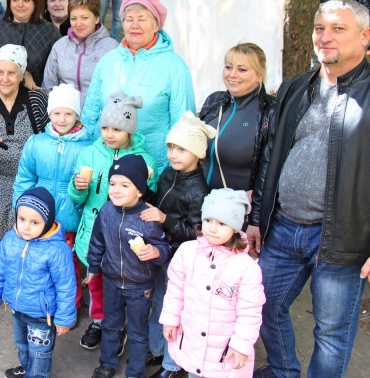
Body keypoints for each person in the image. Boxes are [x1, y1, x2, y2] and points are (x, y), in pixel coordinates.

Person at [249, 0, 370, 378]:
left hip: (341, 239)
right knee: (264, 306)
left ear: (365, 37)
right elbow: (270, 155)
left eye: (338, 28)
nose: (325, 36)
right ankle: (284, 370)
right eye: (320, 27)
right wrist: (258, 218)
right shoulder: (297, 87)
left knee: (331, 332)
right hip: (283, 226)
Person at [68, 90, 158, 353]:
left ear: (130, 130)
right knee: (96, 282)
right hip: (95, 232)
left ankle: (118, 327)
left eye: (117, 129)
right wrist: (78, 186)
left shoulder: (145, 160)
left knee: (122, 287)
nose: (109, 134)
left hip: (126, 237)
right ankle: (99, 322)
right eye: (105, 127)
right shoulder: (89, 155)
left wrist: (149, 181)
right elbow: (77, 198)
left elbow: (149, 199)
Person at [81, 0, 195, 173]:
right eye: (129, 19)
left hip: (151, 167)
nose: (134, 25)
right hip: (103, 165)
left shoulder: (174, 66)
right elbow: (90, 113)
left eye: (141, 19)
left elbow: (183, 124)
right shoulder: (108, 61)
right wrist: (86, 158)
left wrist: (171, 170)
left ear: (156, 25)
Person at [160, 189, 265, 378]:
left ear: (235, 227)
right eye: (208, 220)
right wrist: (170, 319)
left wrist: (242, 344)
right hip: (191, 341)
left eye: (222, 223)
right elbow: (175, 289)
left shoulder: (246, 267)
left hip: (223, 353)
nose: (212, 228)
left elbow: (250, 311)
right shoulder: (187, 251)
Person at [142, 112, 214, 378]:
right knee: (158, 302)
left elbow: (196, 234)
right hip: (160, 251)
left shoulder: (198, 190)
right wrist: (142, 187)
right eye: (171, 147)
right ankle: (157, 349)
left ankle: (172, 366)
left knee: (175, 308)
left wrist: (164, 219)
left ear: (197, 153)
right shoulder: (167, 174)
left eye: (181, 149)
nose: (173, 154)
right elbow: (157, 202)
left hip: (179, 259)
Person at [84, 154, 171, 378]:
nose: (116, 190)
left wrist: (155, 252)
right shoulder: (106, 212)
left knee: (137, 332)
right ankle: (107, 364)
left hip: (140, 287)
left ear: (140, 190)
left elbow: (164, 249)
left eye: (125, 185)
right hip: (111, 281)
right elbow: (97, 242)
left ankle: (135, 372)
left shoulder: (147, 218)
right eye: (112, 184)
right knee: (110, 326)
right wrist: (93, 268)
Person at [13, 83, 93, 311]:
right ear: (49, 114)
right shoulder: (37, 143)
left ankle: (70, 307)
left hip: (69, 217)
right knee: (39, 261)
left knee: (68, 264)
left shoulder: (87, 147)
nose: (62, 119)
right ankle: (40, 302)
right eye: (57, 113)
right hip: (39, 217)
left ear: (77, 115)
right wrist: (21, 210)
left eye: (68, 113)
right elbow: (25, 178)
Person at [0, 44, 49, 267]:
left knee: (27, 215)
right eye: (0, 72)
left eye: (11, 72)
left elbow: (50, 139)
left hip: (32, 178)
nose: (5, 78)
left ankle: (26, 270)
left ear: (21, 75)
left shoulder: (36, 101)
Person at [0, 187, 76, 378]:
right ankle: (26, 368)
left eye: (35, 222)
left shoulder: (57, 250)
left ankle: (36, 375)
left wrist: (64, 318)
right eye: (22, 219)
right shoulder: (11, 239)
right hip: (18, 309)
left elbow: (66, 286)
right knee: (21, 343)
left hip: (42, 315)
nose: (26, 227)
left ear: (48, 222)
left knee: (40, 352)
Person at [199, 43, 275, 192]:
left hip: (240, 210)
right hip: (201, 205)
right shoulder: (214, 101)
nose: (232, 74)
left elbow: (275, 168)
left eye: (242, 69)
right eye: (228, 67)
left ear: (260, 74)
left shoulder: (270, 112)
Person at [0, 0, 61, 87]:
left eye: (26, 0)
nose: (20, 5)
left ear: (35, 3)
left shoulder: (50, 32)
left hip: (36, 99)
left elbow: (56, 73)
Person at [43, 0, 118, 105]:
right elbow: (49, 85)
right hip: (64, 118)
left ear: (97, 18)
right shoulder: (60, 46)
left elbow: (116, 90)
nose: (78, 24)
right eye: (73, 18)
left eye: (84, 18)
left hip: (99, 118)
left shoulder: (111, 48)